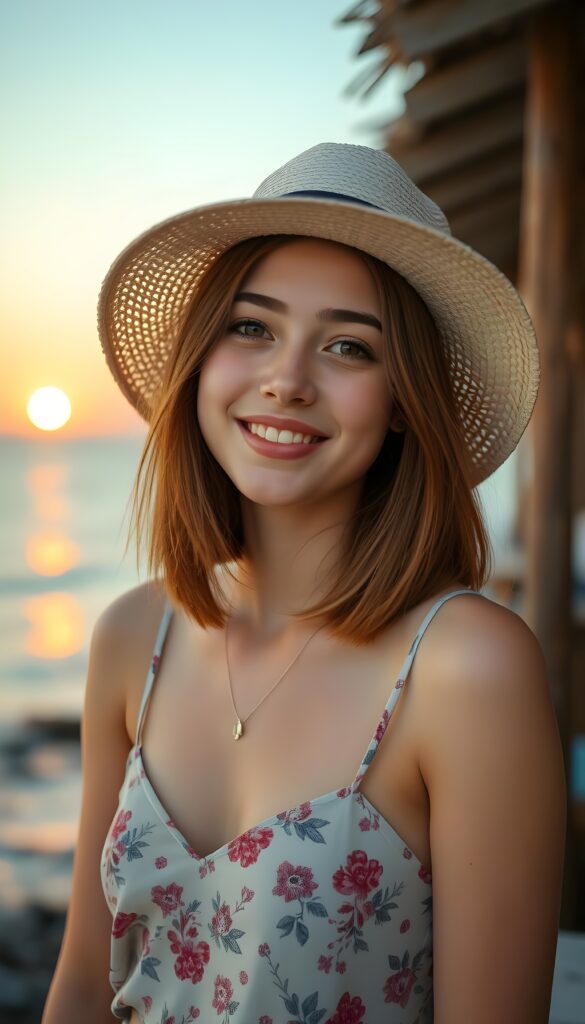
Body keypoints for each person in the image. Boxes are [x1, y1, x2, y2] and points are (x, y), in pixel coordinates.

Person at [42, 142, 566, 1024]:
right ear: (203, 360)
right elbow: (81, 990)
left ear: (405, 401)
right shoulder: (134, 637)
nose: (285, 380)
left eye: (349, 347)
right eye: (251, 327)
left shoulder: (465, 669)